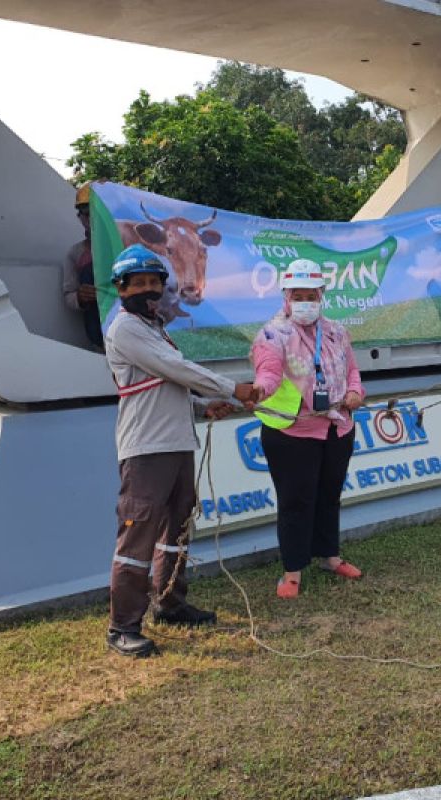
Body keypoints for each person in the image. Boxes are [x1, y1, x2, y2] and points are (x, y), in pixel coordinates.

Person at [104, 244, 257, 657]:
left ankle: (169, 601)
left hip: (176, 443)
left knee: (177, 528)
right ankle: (123, 626)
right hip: (146, 449)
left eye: (155, 282)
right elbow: (179, 371)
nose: (149, 289)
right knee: (138, 535)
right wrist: (231, 388)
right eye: (139, 283)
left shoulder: (156, 331)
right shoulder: (126, 328)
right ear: (121, 288)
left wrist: (203, 406)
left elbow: (166, 387)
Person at [250, 259, 365, 599]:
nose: (305, 301)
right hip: (292, 433)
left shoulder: (337, 331)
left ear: (321, 295)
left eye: (311, 294)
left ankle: (331, 557)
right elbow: (268, 374)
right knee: (296, 502)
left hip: (338, 430)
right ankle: (293, 571)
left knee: (329, 496)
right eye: (298, 294)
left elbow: (353, 370)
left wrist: (356, 393)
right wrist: (258, 391)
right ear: (287, 295)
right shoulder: (272, 334)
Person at [63, 182, 105, 350]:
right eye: (87, 215)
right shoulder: (75, 253)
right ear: (80, 217)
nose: (91, 219)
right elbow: (68, 295)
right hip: (101, 337)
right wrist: (80, 297)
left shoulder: (127, 244)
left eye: (97, 214)